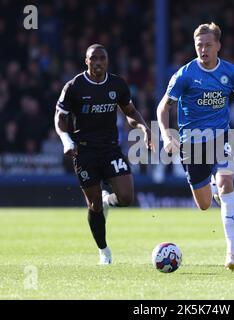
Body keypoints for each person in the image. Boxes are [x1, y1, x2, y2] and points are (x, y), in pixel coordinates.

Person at [156, 23, 234, 271]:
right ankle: (212, 189)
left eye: (208, 45)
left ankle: (232, 253)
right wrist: (166, 135)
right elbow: (163, 106)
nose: (203, 49)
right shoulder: (185, 75)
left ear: (218, 45)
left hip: (221, 139)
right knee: (204, 204)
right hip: (192, 143)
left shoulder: (231, 72)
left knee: (227, 184)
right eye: (199, 45)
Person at [54, 44, 152, 265]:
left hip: (110, 148)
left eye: (102, 58)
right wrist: (66, 139)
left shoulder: (117, 84)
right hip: (84, 151)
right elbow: (59, 118)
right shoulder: (74, 87)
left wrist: (143, 127)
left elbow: (130, 112)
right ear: (86, 61)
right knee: (94, 205)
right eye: (93, 58)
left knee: (126, 198)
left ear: (107, 61)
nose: (98, 62)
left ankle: (110, 200)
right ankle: (104, 250)